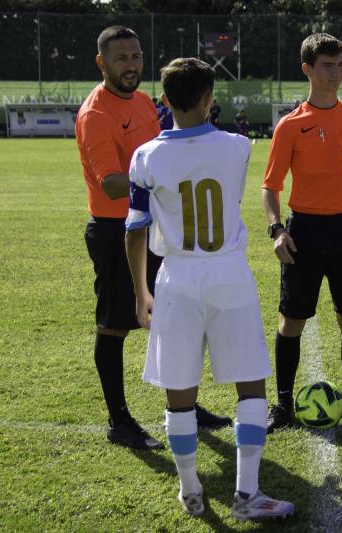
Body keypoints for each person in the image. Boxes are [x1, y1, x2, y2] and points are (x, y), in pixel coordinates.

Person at [124, 57, 295, 520]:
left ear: (164, 100)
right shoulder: (237, 146)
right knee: (251, 387)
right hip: (228, 274)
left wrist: (141, 292)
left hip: (176, 277)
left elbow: (135, 230)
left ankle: (191, 489)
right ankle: (247, 493)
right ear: (209, 98)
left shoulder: (145, 156)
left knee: (179, 389)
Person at [75, 26, 229, 451]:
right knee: (114, 326)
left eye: (137, 56)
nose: (132, 65)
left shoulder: (144, 101)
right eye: (122, 58)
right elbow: (109, 184)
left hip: (158, 224)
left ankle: (185, 408)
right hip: (115, 232)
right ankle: (119, 421)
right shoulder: (96, 114)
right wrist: (163, 176)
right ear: (102, 63)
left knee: (176, 318)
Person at [262, 33, 342, 433]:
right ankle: (281, 406)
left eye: (340, 65)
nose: (336, 73)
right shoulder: (291, 126)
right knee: (291, 320)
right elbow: (271, 186)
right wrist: (277, 230)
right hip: (304, 231)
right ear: (308, 70)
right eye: (328, 65)